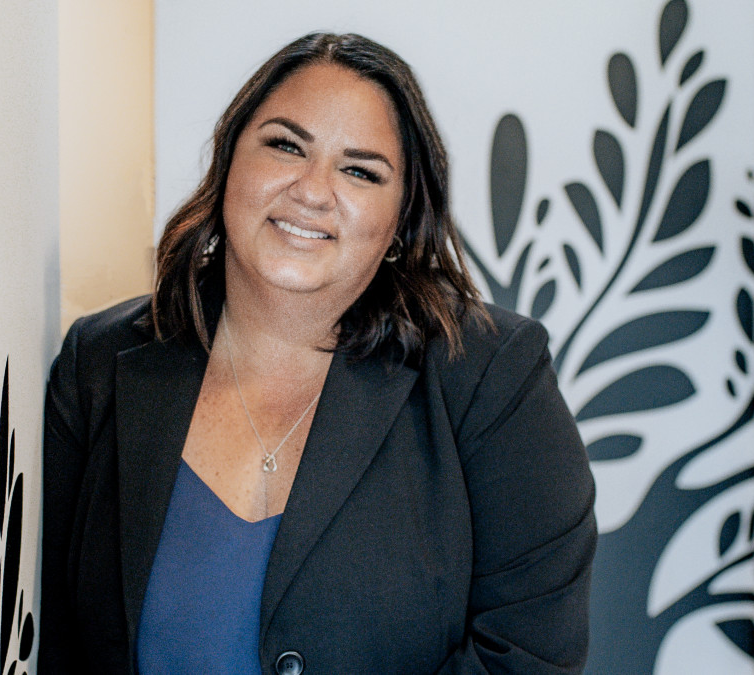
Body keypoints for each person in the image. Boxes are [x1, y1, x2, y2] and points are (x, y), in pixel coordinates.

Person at [40, 32, 596, 674]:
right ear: (228, 167)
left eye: (360, 170)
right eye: (285, 145)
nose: (312, 190)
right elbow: (54, 642)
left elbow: (529, 655)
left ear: (400, 222)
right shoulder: (97, 363)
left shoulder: (490, 374)